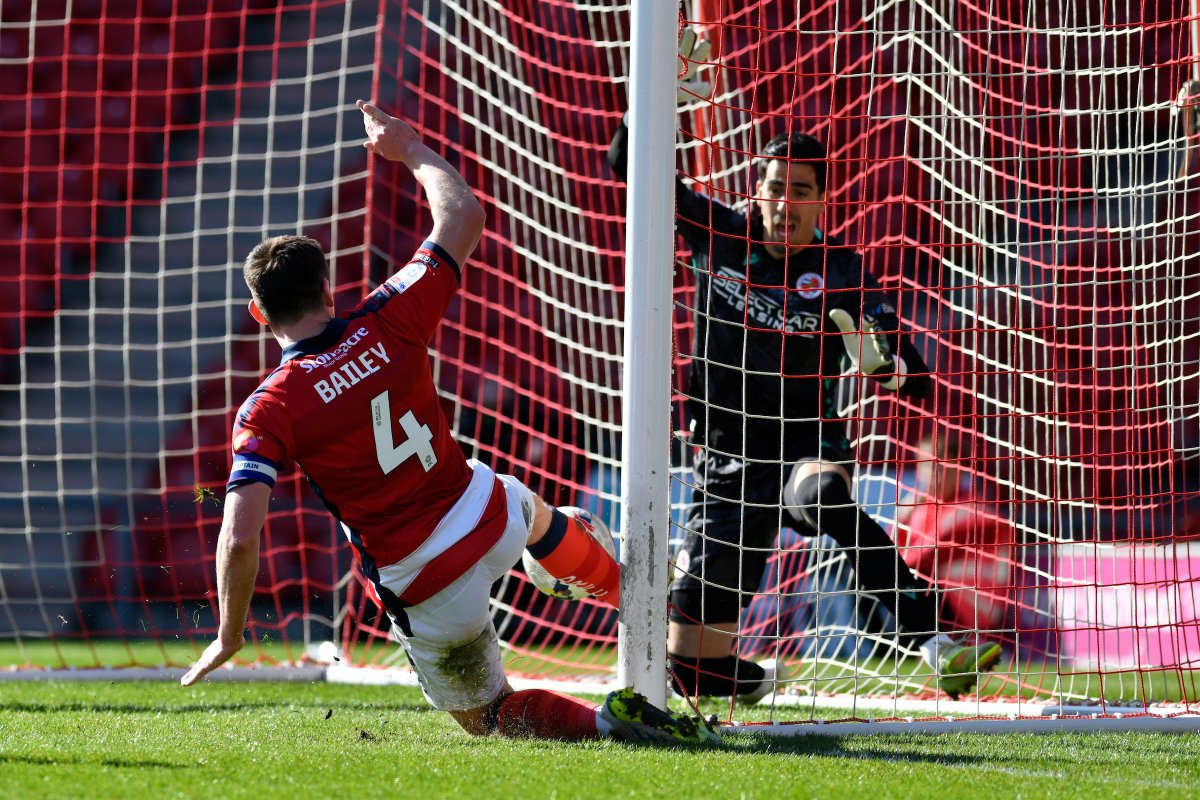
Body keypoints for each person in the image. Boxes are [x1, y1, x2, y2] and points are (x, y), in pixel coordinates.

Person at [181, 99, 717, 746]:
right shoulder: (389, 316)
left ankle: (610, 723)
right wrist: (407, 148)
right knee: (528, 507)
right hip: (487, 511)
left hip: (424, 581)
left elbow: (239, 538)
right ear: (327, 288)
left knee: (487, 718)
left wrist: (229, 632)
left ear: (259, 315)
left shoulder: (267, 408)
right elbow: (463, 215)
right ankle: (636, 600)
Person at [608, 46, 1001, 703]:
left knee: (824, 500)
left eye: (801, 191)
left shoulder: (842, 271)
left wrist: (886, 367)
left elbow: (916, 378)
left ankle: (936, 643)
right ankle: (752, 678)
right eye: (775, 187)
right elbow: (630, 168)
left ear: (822, 201)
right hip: (726, 460)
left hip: (804, 446)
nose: (784, 203)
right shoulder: (719, 234)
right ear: (755, 191)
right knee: (692, 670)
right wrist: (657, 101)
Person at [895, 432, 1016, 634]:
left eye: (940, 467)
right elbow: (893, 550)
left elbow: (924, 557)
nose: (932, 474)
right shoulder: (921, 508)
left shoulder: (973, 510)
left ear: (960, 470)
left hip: (971, 609)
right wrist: (902, 517)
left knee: (904, 579)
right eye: (925, 465)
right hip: (936, 599)